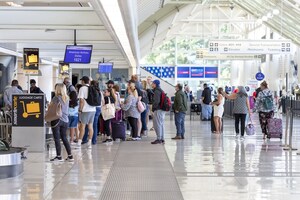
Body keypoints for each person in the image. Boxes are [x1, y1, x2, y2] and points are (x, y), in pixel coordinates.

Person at [50, 83, 74, 162]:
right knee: (64, 138)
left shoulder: (55, 98)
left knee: (57, 139)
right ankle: (70, 156)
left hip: (57, 119)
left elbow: (51, 108)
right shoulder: (67, 98)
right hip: (65, 120)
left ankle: (59, 156)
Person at [77, 76, 96, 149]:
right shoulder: (92, 87)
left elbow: (81, 101)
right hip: (93, 110)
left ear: (83, 81)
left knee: (82, 126)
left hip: (85, 110)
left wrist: (80, 109)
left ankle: (79, 142)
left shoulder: (82, 88)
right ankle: (89, 142)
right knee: (90, 126)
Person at [82, 80, 102, 145]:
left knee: (87, 125)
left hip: (91, 108)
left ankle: (84, 139)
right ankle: (93, 140)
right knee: (94, 125)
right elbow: (102, 101)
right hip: (98, 108)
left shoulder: (90, 90)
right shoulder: (99, 91)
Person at [151, 80, 166, 144]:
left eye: (152, 83)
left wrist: (153, 108)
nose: (152, 84)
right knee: (161, 124)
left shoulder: (157, 91)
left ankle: (159, 138)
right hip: (162, 109)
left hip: (158, 109)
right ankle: (162, 138)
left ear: (155, 84)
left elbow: (156, 101)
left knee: (157, 124)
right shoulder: (160, 90)